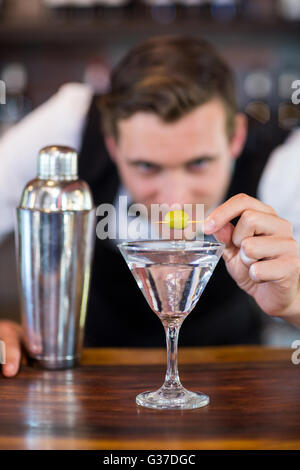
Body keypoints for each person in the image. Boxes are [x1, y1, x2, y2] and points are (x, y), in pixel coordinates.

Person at [0, 35, 299, 378]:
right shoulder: (67, 126)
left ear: (236, 138)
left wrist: (293, 303)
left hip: (235, 393)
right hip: (87, 390)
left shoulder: (282, 167)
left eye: (199, 163)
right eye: (146, 166)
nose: (174, 199)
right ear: (113, 145)